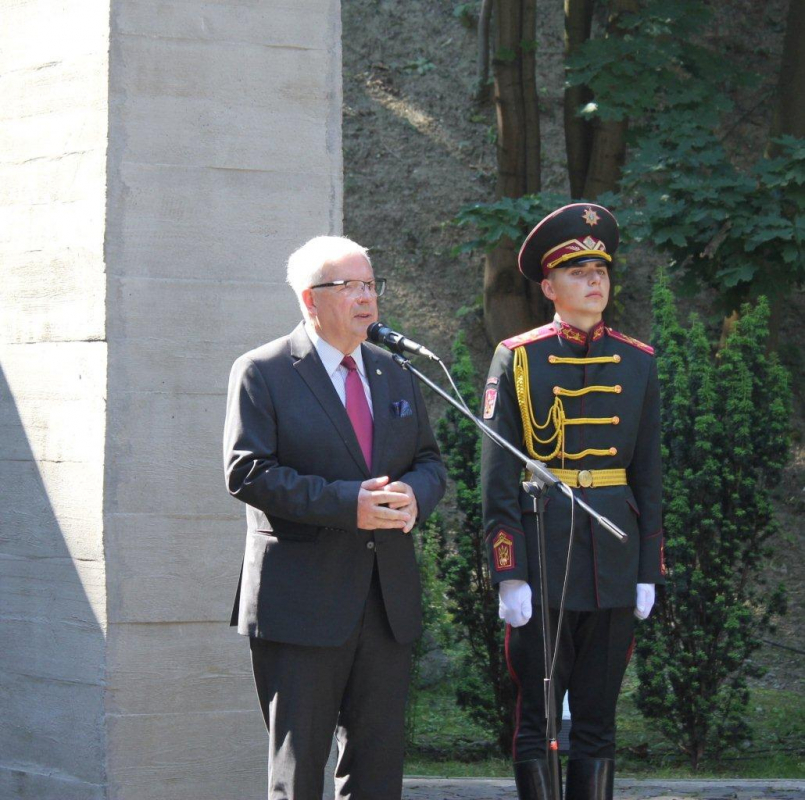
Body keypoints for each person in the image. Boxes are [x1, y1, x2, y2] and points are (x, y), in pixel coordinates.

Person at [223, 236, 446, 800]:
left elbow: (428, 462)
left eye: (370, 284)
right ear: (309, 299)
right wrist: (351, 505)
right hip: (301, 604)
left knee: (377, 772)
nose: (365, 297)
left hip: (384, 600)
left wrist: (414, 495)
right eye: (348, 286)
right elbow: (247, 472)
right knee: (298, 774)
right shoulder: (263, 371)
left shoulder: (394, 372)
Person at [481, 204, 664, 800]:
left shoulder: (639, 361)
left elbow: (649, 476)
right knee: (536, 721)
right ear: (548, 286)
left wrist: (647, 571)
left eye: (601, 269)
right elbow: (497, 474)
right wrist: (509, 574)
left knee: (597, 721)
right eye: (578, 270)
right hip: (543, 551)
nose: (594, 281)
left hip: (612, 557)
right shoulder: (519, 356)